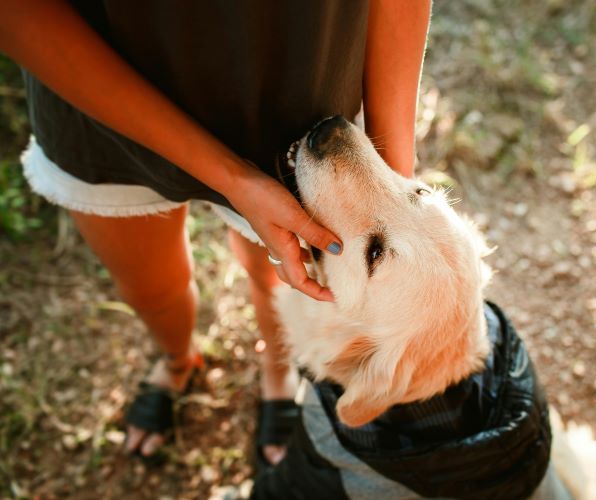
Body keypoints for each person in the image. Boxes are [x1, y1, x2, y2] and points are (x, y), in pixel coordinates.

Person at [0, 0, 431, 467]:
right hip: (99, 84)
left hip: (289, 78)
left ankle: (277, 368)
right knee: (150, 288)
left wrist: (391, 179)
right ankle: (177, 359)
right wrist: (232, 179)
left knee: (275, 277)